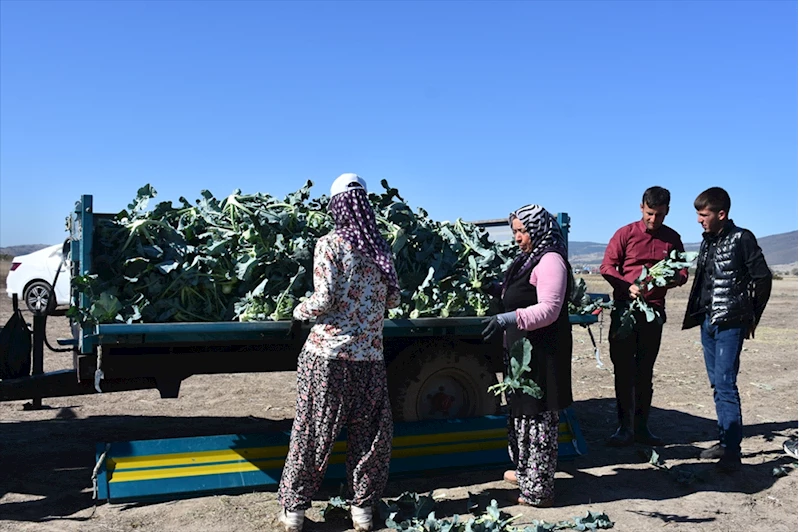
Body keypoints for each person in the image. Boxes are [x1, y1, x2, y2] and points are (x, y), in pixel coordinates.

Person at [277, 173, 401, 532]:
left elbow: (326, 296)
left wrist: (299, 311)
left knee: (312, 433)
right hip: (370, 358)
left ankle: (294, 511)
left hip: (327, 358)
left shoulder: (329, 243)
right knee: (370, 436)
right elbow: (393, 297)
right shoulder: (379, 246)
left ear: (336, 206)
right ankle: (362, 511)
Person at [481, 204, 573, 508]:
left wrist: (508, 318)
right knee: (521, 410)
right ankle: (526, 473)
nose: (518, 237)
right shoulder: (527, 259)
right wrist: (493, 289)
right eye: (515, 231)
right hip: (523, 351)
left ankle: (539, 490)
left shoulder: (550, 261)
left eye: (522, 231)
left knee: (539, 415)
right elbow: (519, 292)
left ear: (537, 228)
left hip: (544, 352)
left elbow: (549, 309)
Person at [683, 186, 771, 472]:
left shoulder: (742, 238)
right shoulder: (708, 240)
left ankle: (732, 451)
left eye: (703, 214)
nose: (699, 219)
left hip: (731, 323)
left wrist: (751, 316)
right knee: (716, 383)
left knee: (725, 383)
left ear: (721, 214)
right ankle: (724, 442)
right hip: (708, 321)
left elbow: (763, 278)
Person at [600, 186, 688, 447]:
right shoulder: (625, 234)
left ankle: (642, 428)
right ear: (641, 207)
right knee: (623, 370)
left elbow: (682, 272)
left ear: (667, 212)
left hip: (653, 314)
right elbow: (607, 266)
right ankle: (623, 428)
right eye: (649, 213)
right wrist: (627, 287)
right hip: (624, 312)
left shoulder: (672, 238)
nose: (653, 219)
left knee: (645, 372)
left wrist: (668, 280)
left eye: (659, 215)